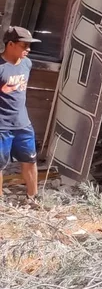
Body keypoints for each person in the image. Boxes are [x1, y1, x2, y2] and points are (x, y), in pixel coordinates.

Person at [0, 26, 40, 201]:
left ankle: (33, 198)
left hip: (23, 124)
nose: (28, 50)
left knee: (30, 162)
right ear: (10, 44)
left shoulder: (27, 64)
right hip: (2, 126)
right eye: (24, 46)